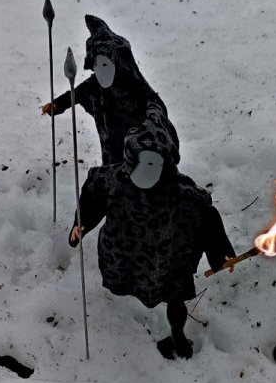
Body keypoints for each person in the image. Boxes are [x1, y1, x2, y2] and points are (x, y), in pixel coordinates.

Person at [68, 102, 235, 359]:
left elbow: (206, 216)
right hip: (126, 251)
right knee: (129, 280)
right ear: (130, 158)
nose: (148, 170)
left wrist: (219, 252)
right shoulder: (114, 181)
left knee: (175, 297)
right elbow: (92, 195)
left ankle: (178, 337)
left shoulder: (179, 192)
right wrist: (82, 223)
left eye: (155, 163)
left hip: (166, 259)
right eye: (143, 161)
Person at [42, 15, 177, 166]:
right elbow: (75, 95)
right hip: (110, 154)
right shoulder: (94, 86)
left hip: (139, 156)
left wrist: (152, 128)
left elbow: (156, 109)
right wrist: (57, 105)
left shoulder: (135, 86)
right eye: (96, 66)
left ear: (117, 63)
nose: (101, 72)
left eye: (105, 65)